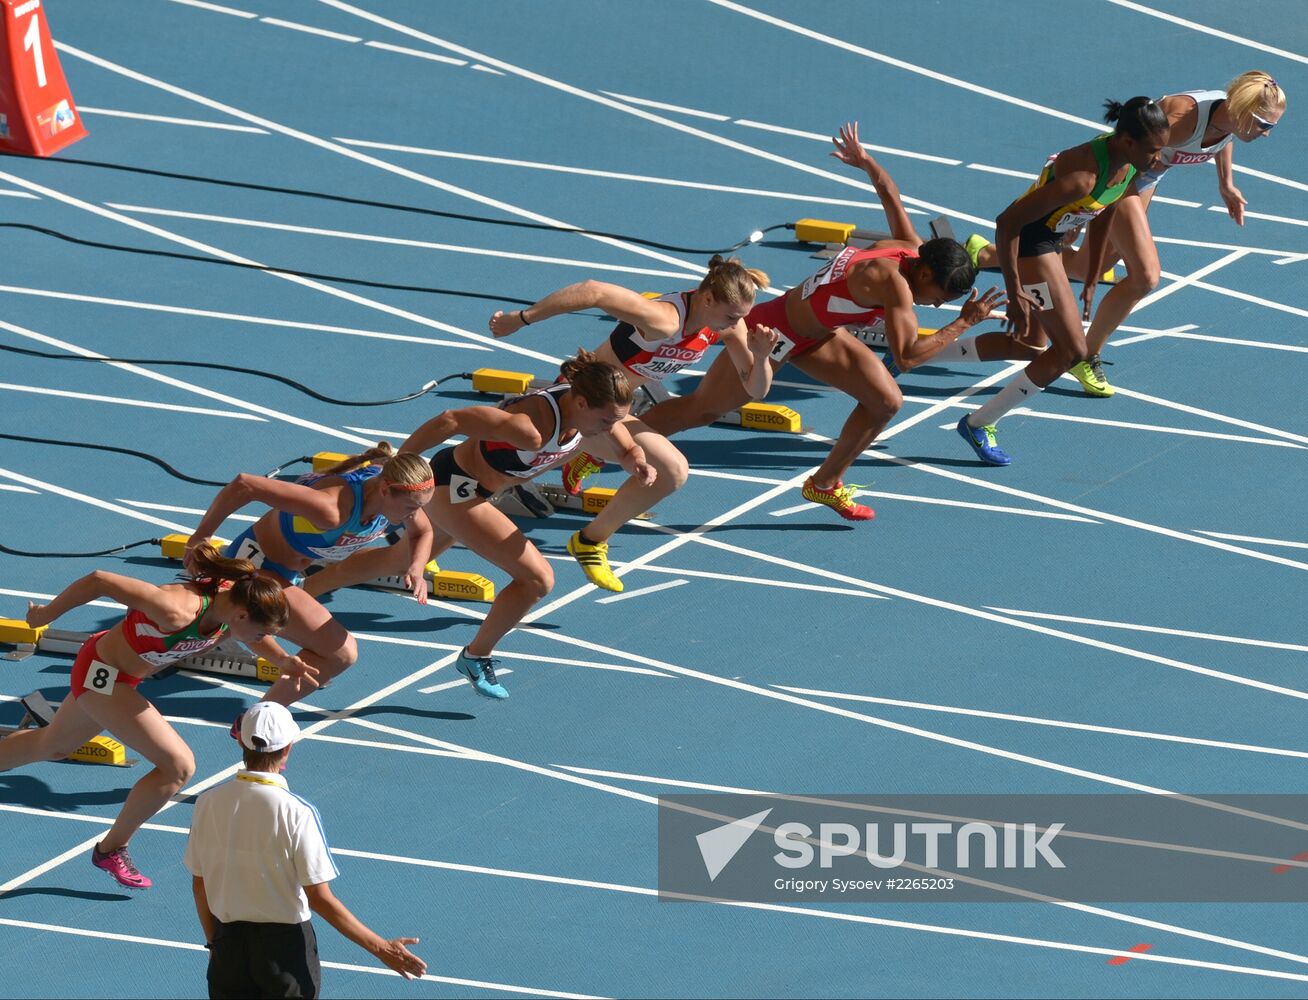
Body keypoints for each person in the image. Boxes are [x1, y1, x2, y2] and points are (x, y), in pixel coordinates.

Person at [638, 122, 1004, 520]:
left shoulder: (911, 248)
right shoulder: (895, 286)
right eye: (938, 299)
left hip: (819, 336)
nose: (934, 307)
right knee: (702, 411)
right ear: (927, 275)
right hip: (773, 330)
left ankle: (824, 484)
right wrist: (964, 322)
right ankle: (608, 445)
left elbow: (890, 195)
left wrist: (866, 162)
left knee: (885, 401)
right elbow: (909, 356)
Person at [308, 350, 644, 699]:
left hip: (477, 492)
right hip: (455, 489)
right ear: (581, 403)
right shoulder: (529, 429)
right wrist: (400, 463)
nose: (611, 429)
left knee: (397, 561)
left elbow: (618, 433)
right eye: (607, 421)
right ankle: (476, 655)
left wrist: (633, 456)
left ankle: (305, 589)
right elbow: (451, 419)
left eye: (616, 421)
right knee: (538, 579)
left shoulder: (589, 413)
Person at [1, 545, 310, 889]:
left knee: (52, 746)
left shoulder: (233, 604)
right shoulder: (175, 610)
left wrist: (283, 660)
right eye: (261, 634)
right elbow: (99, 580)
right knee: (178, 766)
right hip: (102, 675)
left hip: (122, 676)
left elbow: (249, 632)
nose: (261, 642)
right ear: (241, 616)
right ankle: (111, 849)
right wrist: (47, 614)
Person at [967, 72, 1287, 397]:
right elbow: (1123, 158)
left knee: (1088, 264)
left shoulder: (1229, 120)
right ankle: (1087, 354)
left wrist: (1226, 183)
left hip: (1143, 180)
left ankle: (985, 254)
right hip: (1121, 177)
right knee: (1146, 276)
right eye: (1265, 125)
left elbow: (1223, 139)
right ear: (1242, 110)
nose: (1267, 134)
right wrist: (1082, 212)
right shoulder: (1182, 117)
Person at [485, 254, 777, 589]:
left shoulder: (725, 326)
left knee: (672, 470)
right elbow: (593, 290)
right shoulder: (663, 319)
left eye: (741, 317)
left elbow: (756, 390)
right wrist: (522, 319)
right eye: (731, 315)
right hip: (575, 408)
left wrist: (761, 356)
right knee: (490, 481)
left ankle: (590, 541)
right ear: (708, 298)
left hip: (609, 418)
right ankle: (424, 531)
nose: (736, 323)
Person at [956, 97, 1168, 466]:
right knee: (1071, 351)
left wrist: (1091, 273)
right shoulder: (1081, 177)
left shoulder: (1128, 167)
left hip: (1051, 243)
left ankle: (906, 358)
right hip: (1029, 245)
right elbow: (1007, 223)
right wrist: (1016, 291)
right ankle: (978, 423)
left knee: (1031, 344)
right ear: (1128, 141)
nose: (1158, 160)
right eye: (1153, 150)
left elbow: (1107, 209)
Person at [186, 701, 426, 998]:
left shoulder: (207, 803)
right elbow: (319, 897)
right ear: (287, 748)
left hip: (228, 944)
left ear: (242, 744)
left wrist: (216, 945)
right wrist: (381, 948)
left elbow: (200, 884)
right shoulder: (297, 812)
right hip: (284, 952)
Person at [184, 445, 435, 708]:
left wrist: (416, 567)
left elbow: (422, 533)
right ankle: (260, 720)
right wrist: (202, 535)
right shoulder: (331, 509)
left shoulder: (395, 496)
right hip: (254, 568)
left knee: (188, 639)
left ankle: (219, 651)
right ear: (385, 489)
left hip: (286, 573)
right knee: (341, 653)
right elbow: (245, 484)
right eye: (410, 508)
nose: (413, 515)